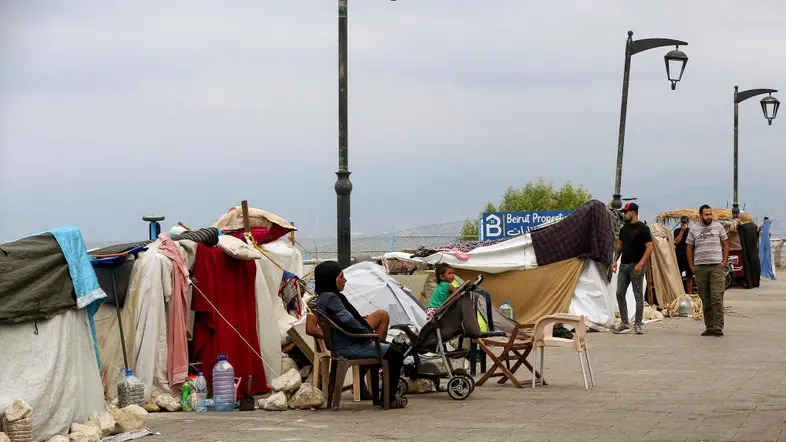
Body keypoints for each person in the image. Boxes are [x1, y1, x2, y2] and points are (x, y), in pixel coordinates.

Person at [312, 261, 407, 408]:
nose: (345, 280)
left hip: (343, 344)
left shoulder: (323, 297)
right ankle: (389, 398)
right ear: (330, 279)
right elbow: (346, 319)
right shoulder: (331, 298)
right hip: (350, 346)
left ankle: (380, 397)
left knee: (388, 348)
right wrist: (365, 333)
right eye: (341, 277)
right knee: (396, 354)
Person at [612, 202, 654, 335]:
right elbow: (620, 245)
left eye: (626, 212)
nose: (625, 214)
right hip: (624, 265)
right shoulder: (624, 229)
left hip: (636, 266)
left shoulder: (643, 228)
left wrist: (641, 263)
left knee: (638, 295)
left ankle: (637, 324)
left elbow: (650, 247)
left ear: (633, 213)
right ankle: (625, 323)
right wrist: (614, 261)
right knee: (619, 293)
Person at [687, 205, 729, 337]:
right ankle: (709, 326)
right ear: (700, 216)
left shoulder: (718, 227)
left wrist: (723, 262)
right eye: (706, 214)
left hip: (716, 266)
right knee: (705, 297)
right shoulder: (693, 229)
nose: (709, 217)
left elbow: (726, 244)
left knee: (716, 297)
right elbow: (689, 248)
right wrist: (692, 266)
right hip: (700, 267)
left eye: (710, 214)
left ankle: (718, 327)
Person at [673, 215, 694, 294]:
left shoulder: (691, 231)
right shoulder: (677, 231)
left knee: (689, 276)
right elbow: (676, 241)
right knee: (678, 276)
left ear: (688, 222)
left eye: (685, 222)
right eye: (682, 222)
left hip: (689, 257)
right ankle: (679, 292)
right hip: (679, 256)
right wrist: (682, 231)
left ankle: (690, 293)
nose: (684, 223)